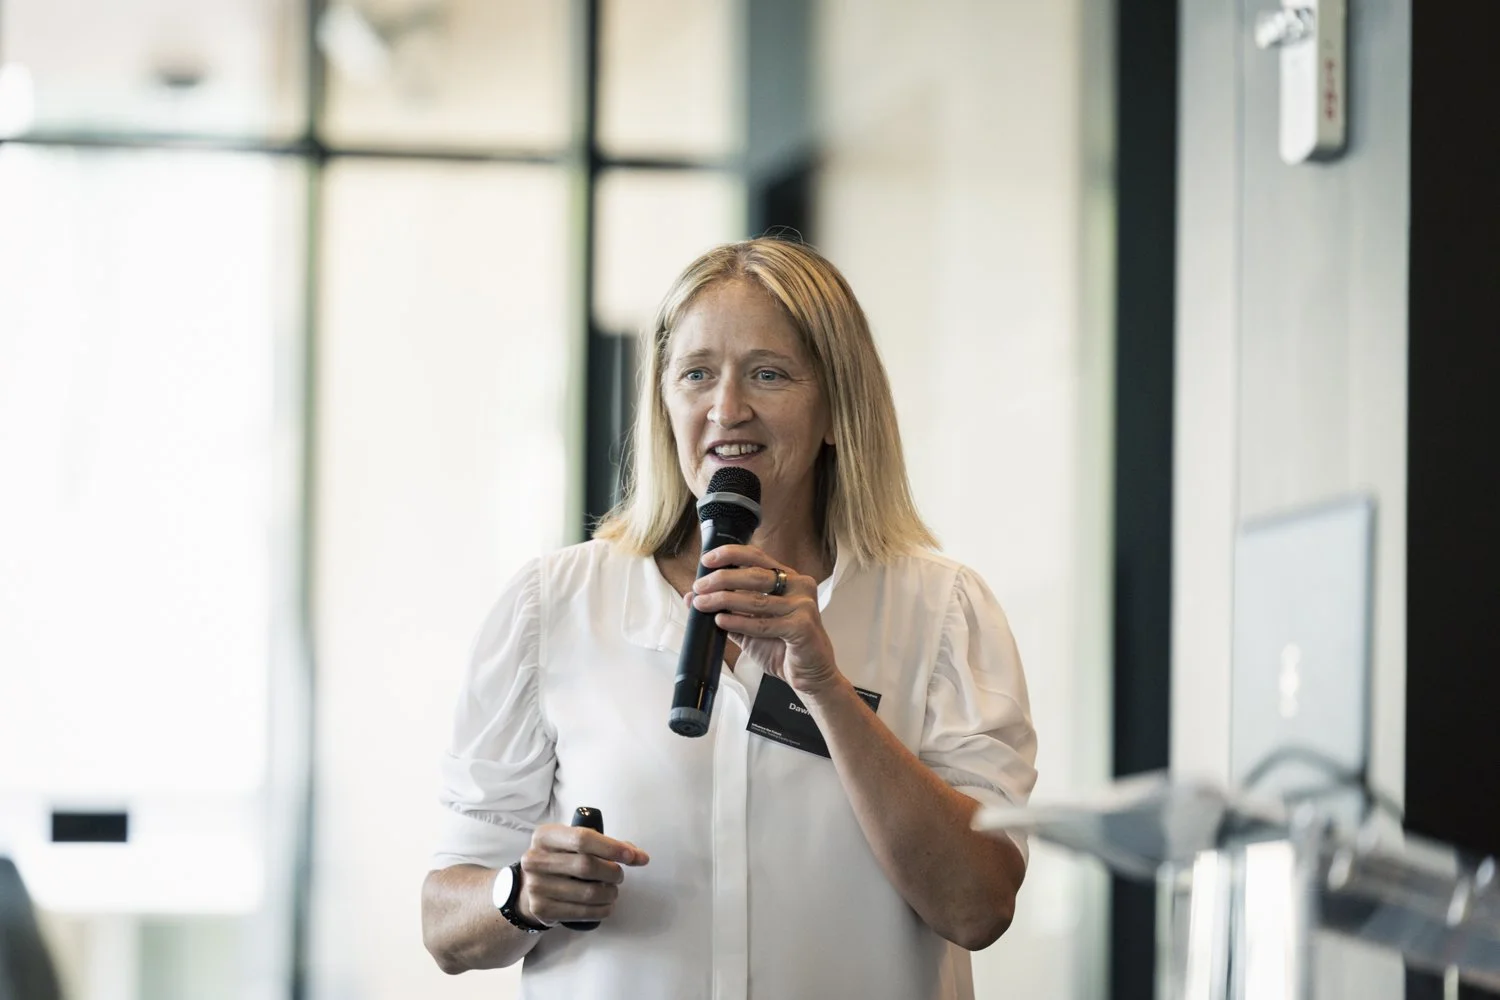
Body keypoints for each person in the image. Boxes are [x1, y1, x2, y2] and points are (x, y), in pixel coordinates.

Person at [420, 237, 1037, 1000]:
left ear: (839, 409)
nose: (727, 409)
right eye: (697, 374)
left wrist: (828, 691)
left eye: (768, 374)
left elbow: (978, 908)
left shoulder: (942, 611)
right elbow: (446, 924)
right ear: (665, 405)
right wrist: (519, 892)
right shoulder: (555, 604)